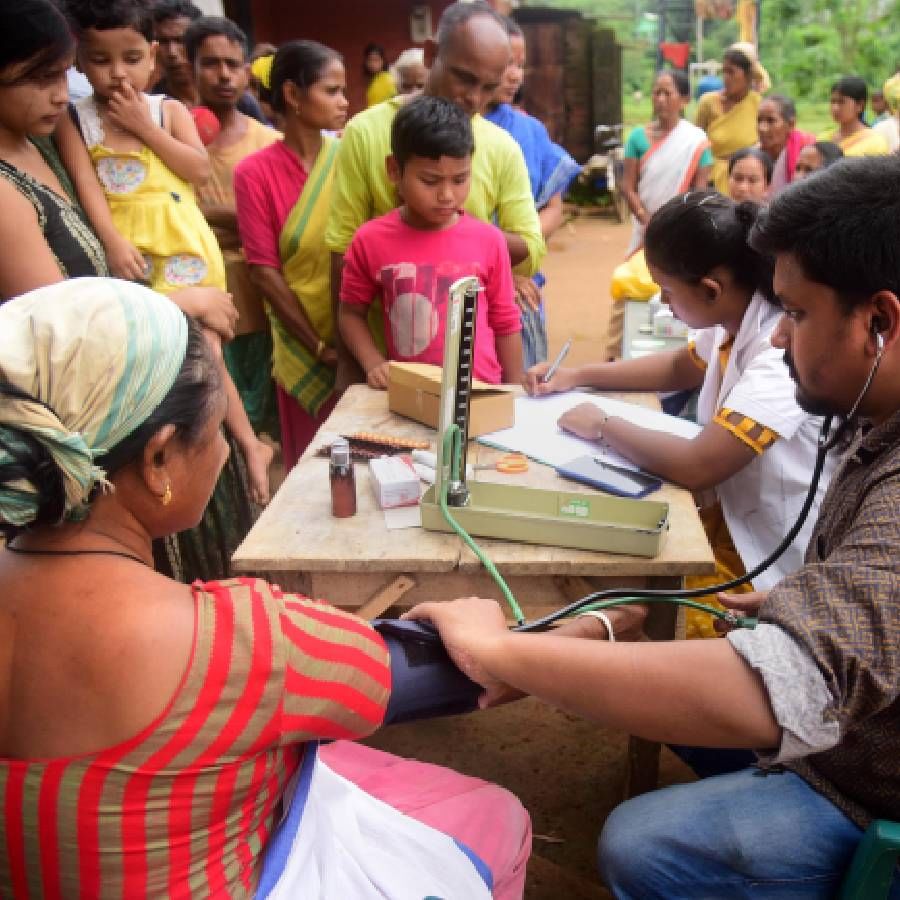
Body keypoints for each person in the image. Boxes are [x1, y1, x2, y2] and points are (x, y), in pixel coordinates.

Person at [411, 153, 900, 900]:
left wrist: (501, 652)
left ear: (879, 321)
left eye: (797, 315)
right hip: (850, 718)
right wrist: (793, 604)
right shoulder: (872, 419)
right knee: (655, 634)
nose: (777, 338)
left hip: (866, 786)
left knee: (643, 845)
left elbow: (786, 686)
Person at [0, 276, 531, 899]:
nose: (228, 447)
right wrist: (584, 633)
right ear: (158, 459)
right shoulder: (234, 641)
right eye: (220, 420)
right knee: (496, 817)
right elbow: (454, 671)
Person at [524, 192, 837, 638]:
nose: (665, 304)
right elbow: (683, 366)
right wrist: (576, 375)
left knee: (713, 640)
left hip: (764, 552)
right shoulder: (734, 317)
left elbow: (697, 465)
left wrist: (604, 426)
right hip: (729, 519)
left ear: (711, 289)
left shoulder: (776, 353)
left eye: (667, 291)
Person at [64, 0, 273, 510]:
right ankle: (210, 452)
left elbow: (198, 170)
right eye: (100, 59)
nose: (117, 73)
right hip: (132, 253)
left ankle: (242, 443)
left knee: (206, 350)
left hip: (183, 245)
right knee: (167, 358)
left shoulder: (166, 110)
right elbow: (88, 188)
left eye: (131, 58)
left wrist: (143, 125)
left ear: (153, 56)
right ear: (78, 61)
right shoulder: (76, 119)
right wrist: (112, 242)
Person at [325, 1, 545, 387]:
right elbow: (343, 255)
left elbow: (529, 246)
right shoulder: (365, 133)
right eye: (464, 78)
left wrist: (465, 240)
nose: (474, 99)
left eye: (489, 87)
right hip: (394, 375)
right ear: (431, 55)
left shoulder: (502, 147)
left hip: (479, 374)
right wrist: (350, 365)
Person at [338, 95, 523, 389]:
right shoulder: (370, 240)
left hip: (481, 393)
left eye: (460, 179)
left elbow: (506, 324)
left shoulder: (489, 240)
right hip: (412, 395)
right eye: (430, 181)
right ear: (394, 171)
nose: (447, 195)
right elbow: (350, 314)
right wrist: (372, 362)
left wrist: (514, 393)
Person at [234, 41, 348, 472]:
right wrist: (318, 346)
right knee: (316, 473)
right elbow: (264, 271)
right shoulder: (254, 174)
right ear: (293, 95)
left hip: (360, 336)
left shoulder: (349, 157)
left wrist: (349, 339)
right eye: (331, 90)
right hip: (303, 345)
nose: (344, 101)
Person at [188, 15, 280, 438]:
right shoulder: (172, 139)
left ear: (247, 71)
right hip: (199, 302)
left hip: (260, 304)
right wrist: (242, 223)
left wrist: (212, 217)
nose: (223, 74)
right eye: (210, 63)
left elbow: (276, 229)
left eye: (232, 63)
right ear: (191, 69)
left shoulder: (268, 143)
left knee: (260, 423)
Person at [484, 16, 581, 368]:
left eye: (521, 65)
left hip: (525, 288)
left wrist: (521, 251)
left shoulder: (530, 130)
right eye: (507, 63)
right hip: (469, 286)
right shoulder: (452, 131)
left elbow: (553, 207)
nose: (515, 75)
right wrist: (499, 273)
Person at [620, 69, 712, 256]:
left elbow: (698, 193)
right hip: (644, 226)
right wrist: (646, 219)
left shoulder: (696, 141)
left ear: (684, 100)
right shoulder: (637, 138)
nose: (661, 99)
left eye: (667, 93)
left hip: (680, 228)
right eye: (656, 93)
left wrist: (675, 223)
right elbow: (628, 186)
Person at [150, 0, 266, 122]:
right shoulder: (153, 103)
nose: (172, 52)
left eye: (180, 40)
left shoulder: (239, 101)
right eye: (163, 42)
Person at [696, 47, 762, 193]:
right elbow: (696, 143)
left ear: (747, 76)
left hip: (747, 181)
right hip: (711, 179)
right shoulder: (708, 102)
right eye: (724, 72)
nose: (726, 77)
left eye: (731, 72)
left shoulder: (757, 104)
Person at [756, 93, 815, 195]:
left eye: (771, 121)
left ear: (791, 124)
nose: (762, 128)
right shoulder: (754, 156)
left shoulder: (808, 153)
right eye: (759, 120)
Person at [826, 75, 890, 157]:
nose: (835, 108)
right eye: (833, 101)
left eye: (841, 102)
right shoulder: (824, 138)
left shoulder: (875, 143)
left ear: (859, 105)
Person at [363, 41, 396, 107]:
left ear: (383, 61)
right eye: (370, 60)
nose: (373, 64)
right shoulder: (372, 81)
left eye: (376, 60)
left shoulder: (388, 79)